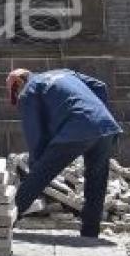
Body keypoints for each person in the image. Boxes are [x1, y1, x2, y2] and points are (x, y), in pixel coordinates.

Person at [8, 68, 123, 238]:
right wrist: (97, 116)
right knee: (96, 183)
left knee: (38, 177)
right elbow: (100, 86)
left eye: (15, 93)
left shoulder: (29, 91)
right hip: (105, 126)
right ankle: (90, 234)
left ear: (19, 83)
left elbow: (35, 135)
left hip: (76, 128)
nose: (18, 97)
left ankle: (3, 224)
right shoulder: (65, 72)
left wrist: (37, 165)